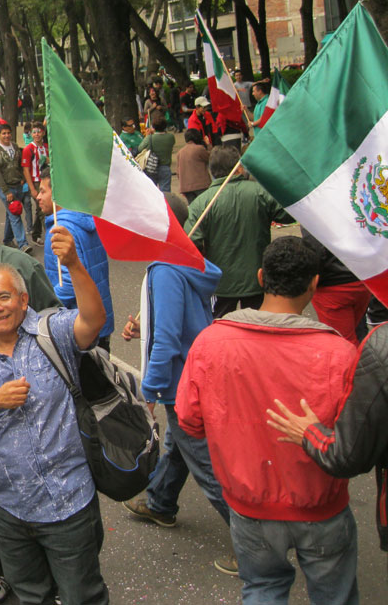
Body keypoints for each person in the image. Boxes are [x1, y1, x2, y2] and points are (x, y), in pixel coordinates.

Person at [176, 237, 360, 605]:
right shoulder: (340, 353)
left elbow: (189, 419)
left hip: (248, 504)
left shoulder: (211, 343)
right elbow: (354, 440)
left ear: (261, 277)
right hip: (321, 505)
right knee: (335, 596)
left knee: (262, 589)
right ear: (314, 285)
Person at [0, 245, 110, 605]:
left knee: (82, 595)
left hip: (69, 502)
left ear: (22, 299)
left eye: (4, 297)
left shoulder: (53, 333)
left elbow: (94, 320)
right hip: (12, 508)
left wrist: (74, 266)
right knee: (30, 596)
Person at [117, 194, 235, 574]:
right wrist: (144, 324)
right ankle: (161, 502)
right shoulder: (183, 261)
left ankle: (257, 544)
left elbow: (167, 338)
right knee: (180, 447)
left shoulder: (165, 270)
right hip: (195, 373)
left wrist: (150, 388)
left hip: (182, 382)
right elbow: (177, 321)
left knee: (207, 466)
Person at [265, 322, 388, 567]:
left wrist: (310, 433)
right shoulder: (346, 350)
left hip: (262, 504)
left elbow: (348, 455)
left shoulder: (381, 344)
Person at [185, 147, 293, 317]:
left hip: (219, 282)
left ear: (211, 170)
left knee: (218, 330)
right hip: (257, 280)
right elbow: (287, 215)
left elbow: (191, 245)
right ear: (239, 167)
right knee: (258, 329)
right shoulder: (259, 192)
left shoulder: (201, 203)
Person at [36, 169, 114, 350]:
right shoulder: (88, 220)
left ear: (58, 194)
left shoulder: (60, 230)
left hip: (78, 326)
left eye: (42, 191)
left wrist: (48, 307)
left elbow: (70, 283)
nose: (38, 197)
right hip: (101, 319)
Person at [0, 124, 31, 254]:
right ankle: (23, 244)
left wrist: (22, 177)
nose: (7, 136)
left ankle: (7, 239)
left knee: (10, 214)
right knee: (15, 213)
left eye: (8, 133)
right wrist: (6, 191)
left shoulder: (15, 147)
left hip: (18, 185)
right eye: (4, 133)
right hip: (5, 187)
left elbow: (19, 164)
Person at [21, 123, 48, 243]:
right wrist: (32, 188)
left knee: (40, 209)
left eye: (39, 131)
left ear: (43, 133)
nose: (37, 134)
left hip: (46, 181)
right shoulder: (28, 149)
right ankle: (50, 236)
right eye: (34, 132)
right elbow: (26, 169)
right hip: (36, 182)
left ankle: (36, 234)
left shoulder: (47, 147)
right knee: (44, 210)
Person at [137, 115, 175, 192]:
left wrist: (147, 136)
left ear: (153, 127)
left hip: (151, 167)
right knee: (165, 191)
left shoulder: (150, 138)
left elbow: (140, 148)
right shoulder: (170, 137)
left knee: (152, 191)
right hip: (165, 167)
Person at [175, 129, 211, 205]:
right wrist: (208, 145)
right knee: (204, 207)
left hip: (186, 187)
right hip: (201, 185)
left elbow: (178, 171)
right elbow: (211, 157)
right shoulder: (199, 149)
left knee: (193, 208)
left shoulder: (180, 152)